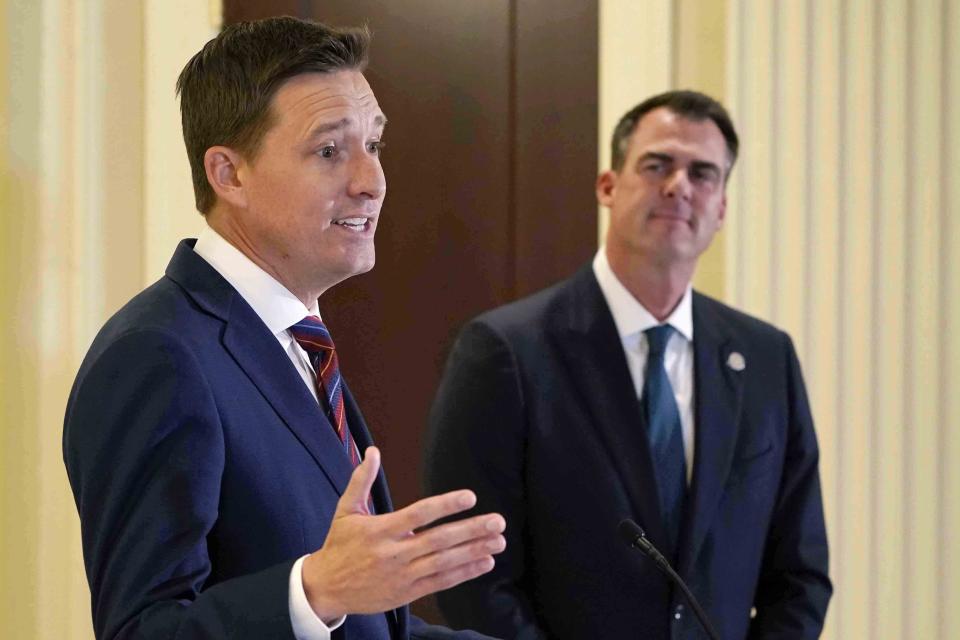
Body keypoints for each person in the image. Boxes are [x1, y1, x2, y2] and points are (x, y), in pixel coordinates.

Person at [63, 17, 505, 640]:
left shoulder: (297, 339)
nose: (371, 182)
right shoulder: (157, 354)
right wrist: (313, 592)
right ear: (229, 175)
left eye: (374, 146)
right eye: (329, 151)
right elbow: (142, 630)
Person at [424, 90, 832, 639]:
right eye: (657, 164)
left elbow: (800, 576)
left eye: (703, 173)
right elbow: (470, 572)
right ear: (608, 187)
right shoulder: (506, 351)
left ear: (721, 208)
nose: (679, 186)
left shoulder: (766, 359)